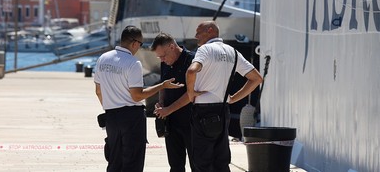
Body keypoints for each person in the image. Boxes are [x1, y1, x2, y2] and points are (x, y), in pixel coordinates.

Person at [94, 25, 183, 172]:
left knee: (114, 160)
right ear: (135, 43)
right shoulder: (133, 63)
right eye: (140, 44)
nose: (139, 48)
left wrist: (109, 107)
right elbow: (137, 96)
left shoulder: (103, 58)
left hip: (111, 116)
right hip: (131, 118)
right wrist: (162, 86)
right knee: (133, 162)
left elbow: (98, 91)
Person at [186, 20, 263, 172]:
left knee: (202, 160)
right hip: (223, 109)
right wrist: (233, 98)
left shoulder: (205, 50)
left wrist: (191, 94)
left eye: (198, 32)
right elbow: (257, 78)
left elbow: (191, 71)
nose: (195, 36)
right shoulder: (232, 52)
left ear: (210, 31)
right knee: (221, 159)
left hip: (202, 110)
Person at [150, 32, 195, 172]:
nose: (162, 60)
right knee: (175, 166)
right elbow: (163, 85)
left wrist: (169, 109)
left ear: (171, 47)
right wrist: (161, 103)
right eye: (159, 57)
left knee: (197, 164)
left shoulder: (192, 61)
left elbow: (191, 93)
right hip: (171, 123)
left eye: (163, 56)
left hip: (191, 122)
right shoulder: (165, 63)